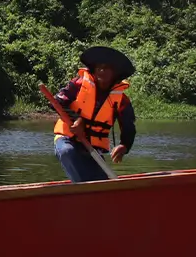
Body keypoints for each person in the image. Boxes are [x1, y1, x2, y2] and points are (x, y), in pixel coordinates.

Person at [52, 46, 136, 183]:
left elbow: (128, 126)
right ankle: (84, 193)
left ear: (115, 72)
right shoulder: (78, 84)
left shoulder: (122, 100)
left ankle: (92, 195)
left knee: (102, 183)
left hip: (93, 149)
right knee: (67, 152)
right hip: (67, 139)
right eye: (99, 67)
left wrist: (124, 146)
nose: (102, 71)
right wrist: (76, 119)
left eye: (107, 68)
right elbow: (57, 102)